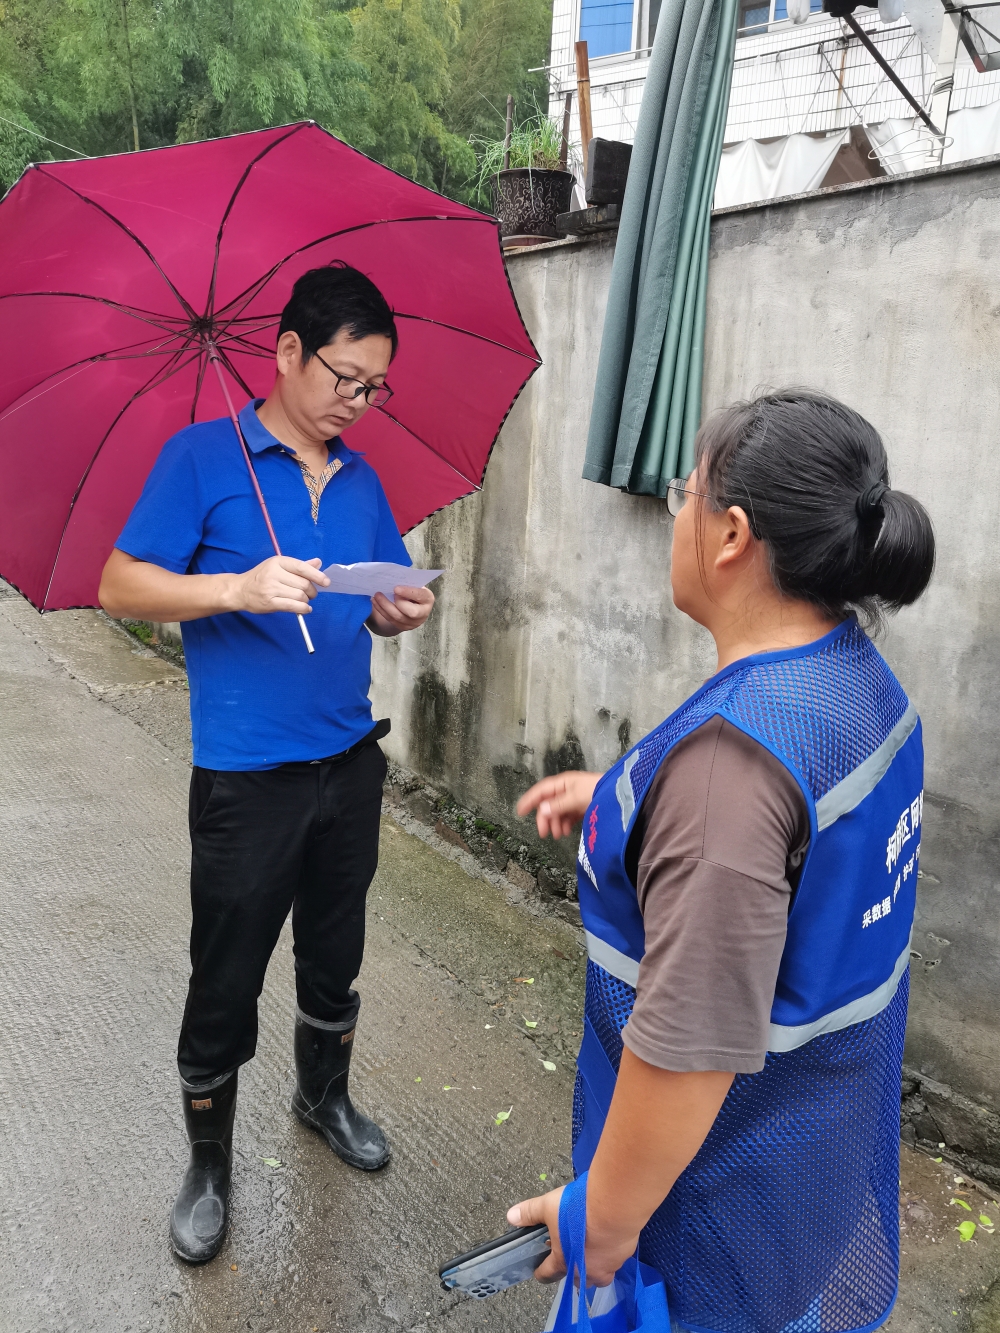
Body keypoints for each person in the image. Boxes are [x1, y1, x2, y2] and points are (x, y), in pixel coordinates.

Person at [510, 390, 935, 1333]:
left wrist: (601, 1222)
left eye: (684, 494)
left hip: (710, 1214)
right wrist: (628, 798)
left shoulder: (730, 771)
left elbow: (685, 1051)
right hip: (812, 1170)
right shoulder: (855, 681)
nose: (680, 516)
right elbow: (786, 853)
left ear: (733, 534)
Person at [99, 263, 435, 1264]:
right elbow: (120, 583)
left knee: (336, 953)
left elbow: (370, 587)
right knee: (226, 974)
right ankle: (208, 1160)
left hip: (349, 762)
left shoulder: (364, 477)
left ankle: (320, 1093)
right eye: (345, 377)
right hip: (248, 780)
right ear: (286, 352)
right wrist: (233, 588)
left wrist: (394, 605)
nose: (358, 402)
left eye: (375, 386)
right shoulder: (201, 460)